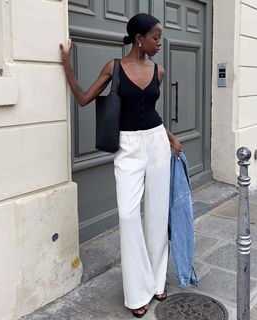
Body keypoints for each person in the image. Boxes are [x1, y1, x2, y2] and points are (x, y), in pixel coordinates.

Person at [59, 13, 183, 318]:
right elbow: (84, 98)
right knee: (129, 216)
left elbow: (150, 111)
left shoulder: (160, 71)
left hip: (156, 143)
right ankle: (137, 290)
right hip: (127, 147)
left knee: (156, 213)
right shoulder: (113, 68)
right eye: (155, 37)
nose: (159, 42)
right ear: (139, 38)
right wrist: (67, 66)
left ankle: (155, 282)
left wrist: (170, 138)